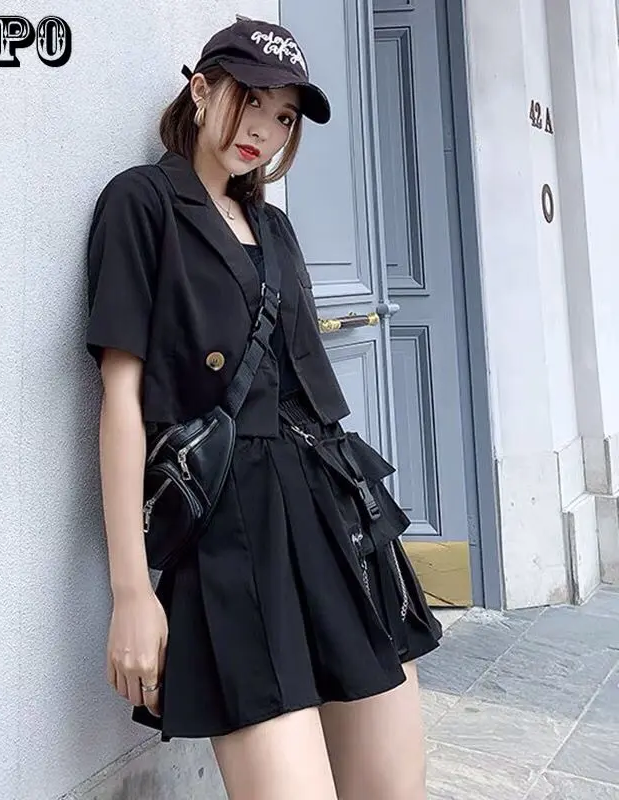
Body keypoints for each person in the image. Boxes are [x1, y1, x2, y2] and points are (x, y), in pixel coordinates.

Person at [85, 16, 443, 800]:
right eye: (249, 100)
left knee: (394, 787)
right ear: (200, 89)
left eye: (283, 116)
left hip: (332, 518)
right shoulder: (142, 204)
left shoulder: (275, 228)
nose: (264, 130)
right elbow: (122, 400)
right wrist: (131, 590)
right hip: (232, 531)